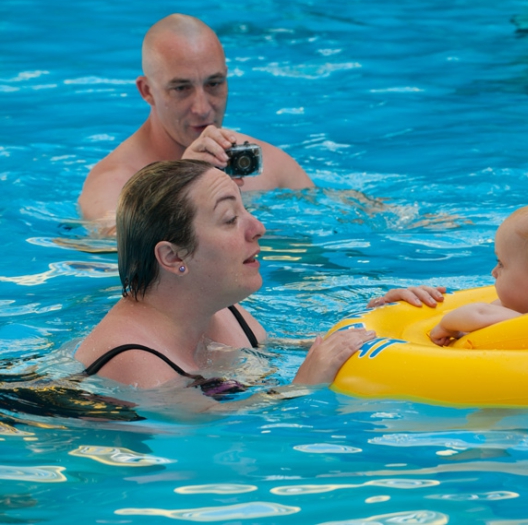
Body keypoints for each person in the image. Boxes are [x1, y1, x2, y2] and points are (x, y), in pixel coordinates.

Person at [74, 160, 374, 408]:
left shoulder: (224, 310)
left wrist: (381, 319)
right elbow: (213, 433)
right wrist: (302, 387)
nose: (258, 228)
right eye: (230, 218)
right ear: (172, 256)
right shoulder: (135, 362)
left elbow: (305, 350)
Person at [78, 14, 314, 229]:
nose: (202, 109)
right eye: (181, 88)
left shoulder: (265, 164)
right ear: (147, 91)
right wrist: (179, 185)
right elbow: (120, 249)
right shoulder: (114, 184)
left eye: (214, 84)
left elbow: (338, 215)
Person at [368, 201, 528, 346]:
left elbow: (475, 313)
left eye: (501, 263)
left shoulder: (525, 322)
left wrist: (443, 326)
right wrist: (391, 305)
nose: (493, 272)